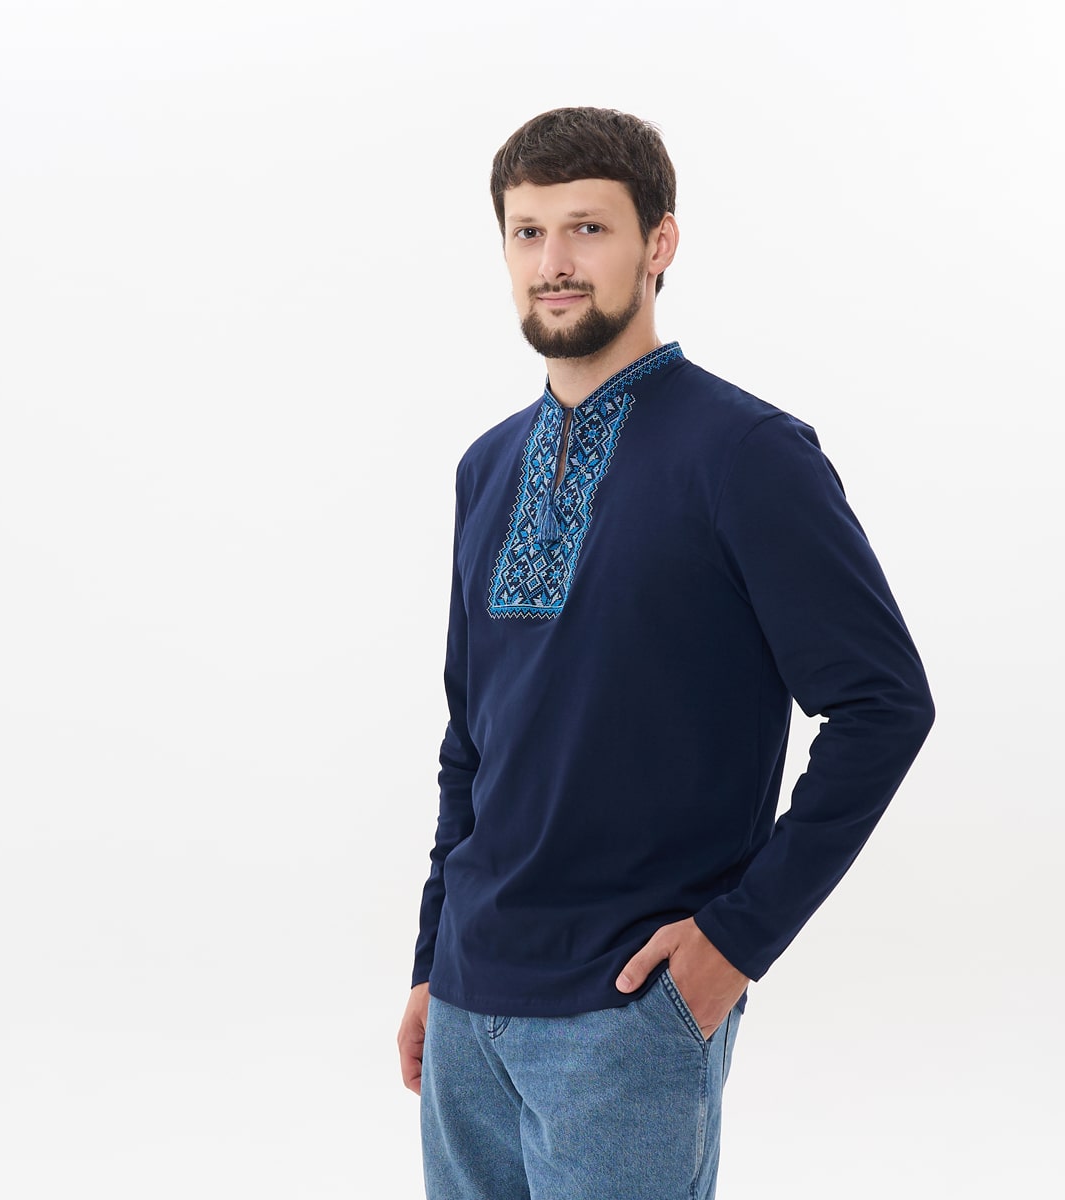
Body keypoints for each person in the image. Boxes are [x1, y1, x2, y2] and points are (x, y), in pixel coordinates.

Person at [396, 106, 934, 1200]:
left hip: (627, 1009)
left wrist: (736, 942)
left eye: (587, 228)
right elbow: (471, 739)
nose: (553, 262)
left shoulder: (747, 454)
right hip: (465, 1008)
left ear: (659, 243)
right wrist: (429, 959)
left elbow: (884, 705)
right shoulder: (485, 467)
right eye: (527, 231)